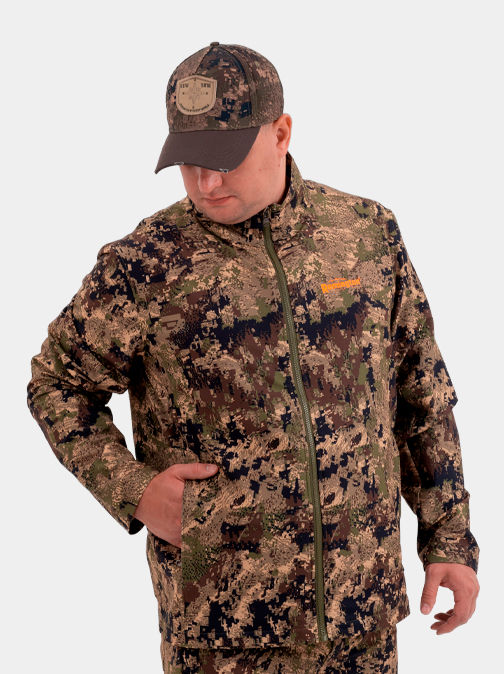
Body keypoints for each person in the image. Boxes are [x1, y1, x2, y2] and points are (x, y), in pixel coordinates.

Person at [28, 42, 480, 674]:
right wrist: (134, 490)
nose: (206, 182)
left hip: (362, 618)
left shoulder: (366, 235)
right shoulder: (145, 263)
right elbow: (56, 383)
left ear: (281, 133)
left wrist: (448, 538)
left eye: (224, 159)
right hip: (223, 630)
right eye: (188, 162)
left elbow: (420, 389)